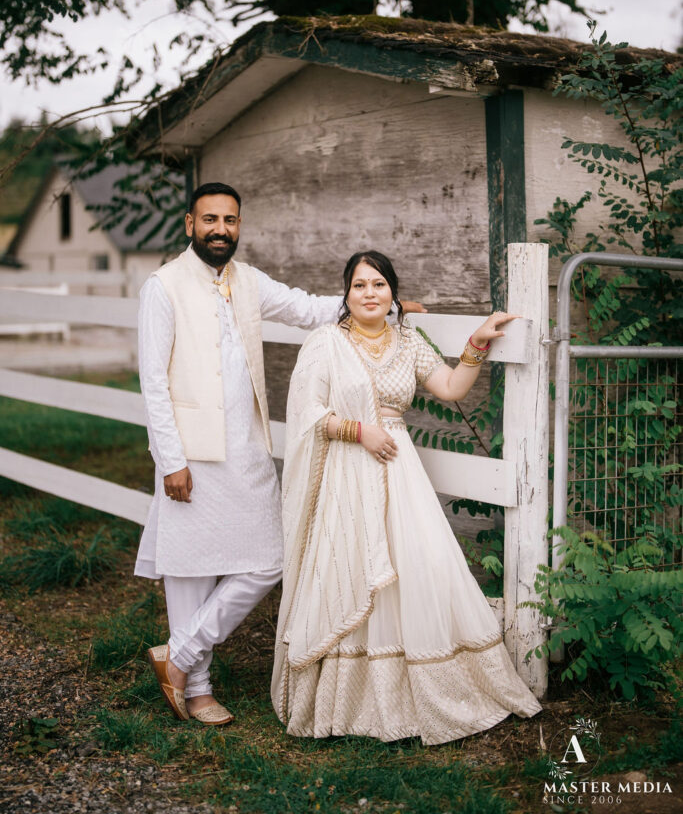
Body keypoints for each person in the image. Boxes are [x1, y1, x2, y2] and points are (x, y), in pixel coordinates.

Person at [137, 186, 424, 726]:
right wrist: (170, 460)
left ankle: (178, 654)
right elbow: (152, 381)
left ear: (239, 225)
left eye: (230, 220)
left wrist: (388, 305)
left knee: (270, 560)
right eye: (209, 219)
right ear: (190, 223)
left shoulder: (248, 280)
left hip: (247, 446)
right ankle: (196, 688)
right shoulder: (163, 286)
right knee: (191, 569)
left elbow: (307, 307)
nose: (220, 229)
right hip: (190, 452)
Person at [272, 250, 542, 745]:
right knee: (351, 567)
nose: (369, 293)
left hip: (399, 471)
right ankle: (350, 699)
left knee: (422, 562)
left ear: (392, 292)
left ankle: (429, 689)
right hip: (346, 471)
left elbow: (451, 387)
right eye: (359, 285)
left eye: (378, 284)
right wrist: (359, 431)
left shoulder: (408, 341)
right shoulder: (326, 342)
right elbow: (306, 413)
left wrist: (477, 342)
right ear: (346, 294)